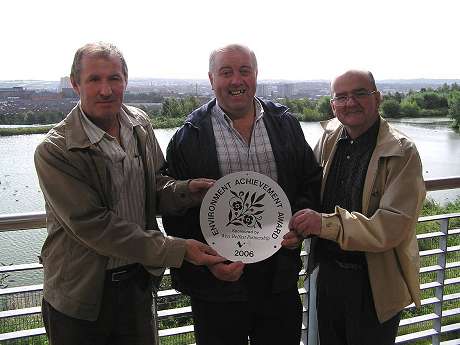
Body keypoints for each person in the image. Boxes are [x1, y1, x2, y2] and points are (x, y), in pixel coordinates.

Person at [34, 42, 225, 345]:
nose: (106, 90)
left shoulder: (139, 125)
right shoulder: (55, 150)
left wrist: (186, 191)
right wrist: (178, 249)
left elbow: (154, 185)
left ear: (125, 80)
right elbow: (95, 226)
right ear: (75, 84)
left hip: (137, 285)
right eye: (94, 79)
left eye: (114, 78)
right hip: (81, 298)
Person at [162, 44, 322, 345]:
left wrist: (298, 225)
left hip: (278, 278)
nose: (237, 80)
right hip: (216, 285)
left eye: (244, 71)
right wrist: (208, 262)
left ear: (256, 75)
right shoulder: (188, 136)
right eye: (226, 72)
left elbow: (308, 182)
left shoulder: (285, 124)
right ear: (211, 79)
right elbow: (175, 213)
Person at [290, 70, 426, 345]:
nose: (350, 102)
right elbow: (309, 189)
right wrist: (295, 225)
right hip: (327, 276)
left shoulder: (402, 151)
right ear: (333, 105)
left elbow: (392, 225)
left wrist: (324, 224)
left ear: (377, 98)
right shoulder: (328, 139)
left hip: (374, 284)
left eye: (360, 93)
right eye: (341, 96)